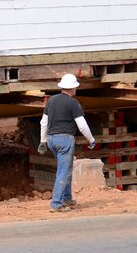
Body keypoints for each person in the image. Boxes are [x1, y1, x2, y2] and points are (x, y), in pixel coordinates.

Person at [37, 74, 95, 212]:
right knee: (63, 171)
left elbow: (43, 122)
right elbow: (82, 125)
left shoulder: (51, 101)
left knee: (65, 168)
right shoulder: (73, 103)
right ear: (73, 88)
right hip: (64, 140)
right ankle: (56, 203)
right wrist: (91, 139)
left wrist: (43, 141)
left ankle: (67, 198)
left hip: (51, 139)